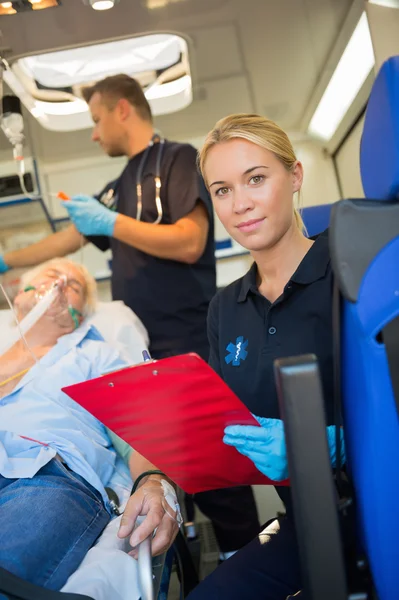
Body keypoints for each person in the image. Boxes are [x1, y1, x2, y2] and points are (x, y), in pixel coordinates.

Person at [0, 74, 260, 556]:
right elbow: (70, 239)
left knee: (215, 473)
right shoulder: (117, 187)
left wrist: (111, 223)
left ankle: (245, 562)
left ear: (123, 110)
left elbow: (189, 241)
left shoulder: (178, 159)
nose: (94, 134)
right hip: (140, 350)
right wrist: (9, 260)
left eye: (97, 119)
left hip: (187, 337)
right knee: (172, 469)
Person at [185, 113, 346, 599]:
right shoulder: (224, 309)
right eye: (222, 190)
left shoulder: (350, 274)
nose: (240, 205)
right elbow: (215, 421)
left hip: (384, 505)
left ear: (295, 177)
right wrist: (154, 472)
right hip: (304, 525)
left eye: (255, 179)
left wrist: (325, 447)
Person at [0, 257, 180, 591]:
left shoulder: (94, 353)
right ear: (19, 295)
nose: (60, 285)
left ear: (79, 315)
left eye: (74, 285)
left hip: (44, 474)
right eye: (52, 275)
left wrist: (154, 480)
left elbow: (133, 427)